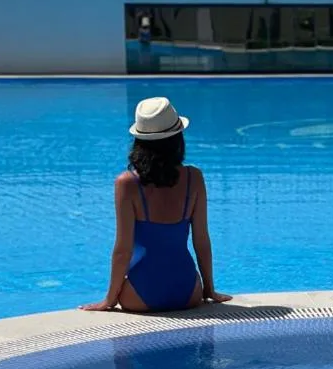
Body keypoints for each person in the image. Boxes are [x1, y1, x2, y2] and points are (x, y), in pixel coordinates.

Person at [82, 97, 230, 313]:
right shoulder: (194, 178)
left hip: (141, 295)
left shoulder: (127, 183)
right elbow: (201, 240)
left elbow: (123, 250)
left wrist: (109, 300)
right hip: (188, 292)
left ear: (139, 141)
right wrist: (209, 290)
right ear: (178, 138)